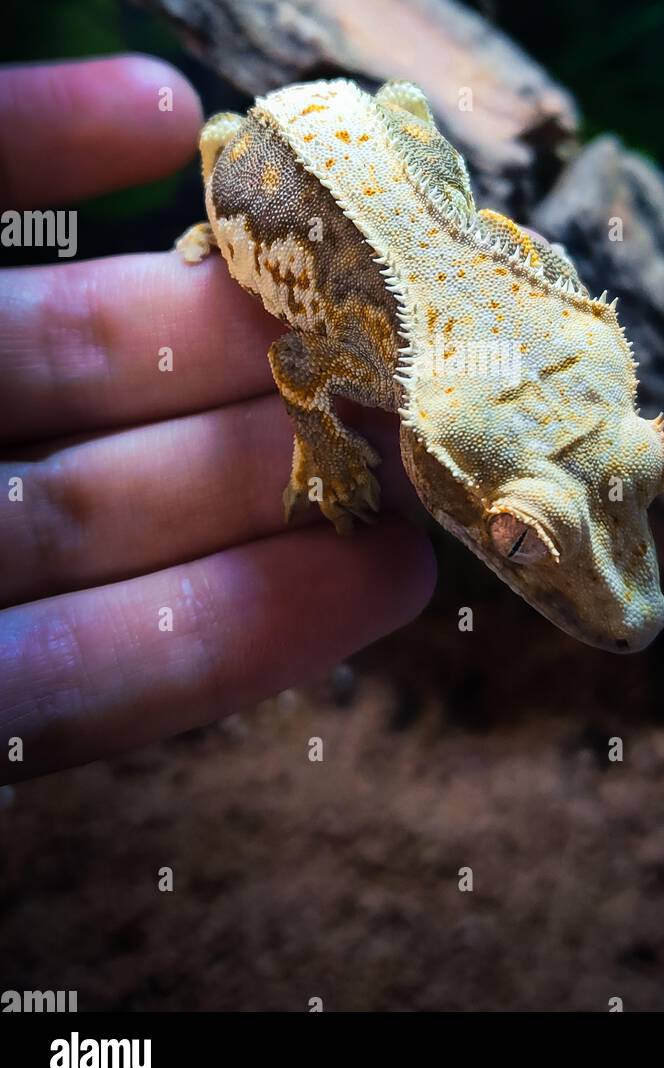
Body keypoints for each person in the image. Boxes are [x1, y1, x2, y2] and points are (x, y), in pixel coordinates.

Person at [0, 56, 435, 780]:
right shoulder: (373, 339)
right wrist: (323, 447)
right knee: (227, 136)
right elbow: (296, 362)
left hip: (362, 158)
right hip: (289, 158)